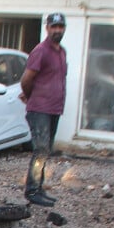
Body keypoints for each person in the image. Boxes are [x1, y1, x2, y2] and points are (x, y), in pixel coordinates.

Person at [19, 12, 69, 206]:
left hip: (54, 108)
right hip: (39, 108)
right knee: (40, 149)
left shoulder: (61, 51)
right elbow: (27, 79)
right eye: (53, 27)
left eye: (60, 27)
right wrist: (31, 96)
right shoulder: (41, 51)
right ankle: (32, 190)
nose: (57, 30)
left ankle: (39, 187)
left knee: (46, 150)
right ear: (47, 28)